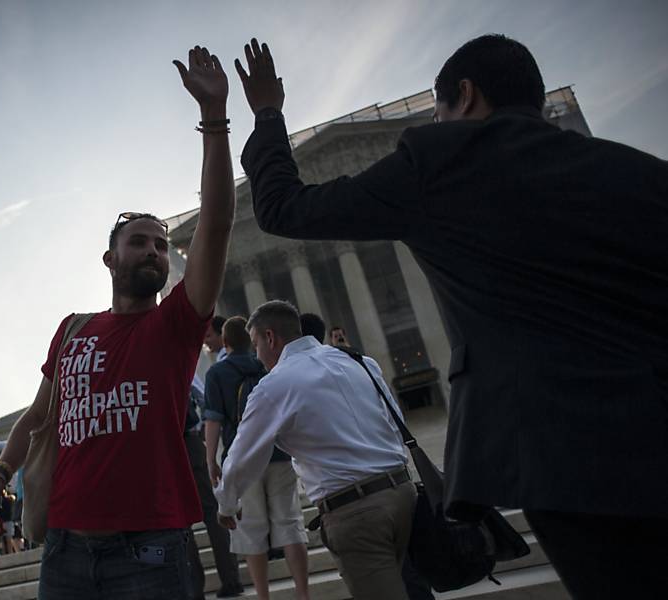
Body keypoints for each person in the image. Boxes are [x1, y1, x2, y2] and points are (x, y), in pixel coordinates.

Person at [233, 35, 668, 598]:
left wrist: (268, 112)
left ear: (464, 96)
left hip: (560, 452)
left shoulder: (438, 164)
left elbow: (282, 207)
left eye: (439, 111)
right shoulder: (636, 172)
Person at [0, 44, 235, 600]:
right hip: (65, 551)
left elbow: (216, 223)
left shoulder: (176, 325)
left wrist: (213, 121)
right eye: (139, 243)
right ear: (110, 259)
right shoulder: (72, 330)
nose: (155, 252)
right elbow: (38, 417)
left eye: (162, 246)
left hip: (153, 551)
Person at [215, 301, 414, 600]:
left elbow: (242, 456)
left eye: (256, 344)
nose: (257, 355)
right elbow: (395, 421)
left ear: (270, 338)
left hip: (355, 512)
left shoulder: (273, 386)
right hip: (404, 493)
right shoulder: (360, 361)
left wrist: (227, 504)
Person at [205, 315, 309, 600]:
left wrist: (211, 460)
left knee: (251, 531)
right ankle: (303, 594)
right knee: (289, 524)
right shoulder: (268, 366)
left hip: (243, 460)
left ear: (225, 343)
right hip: (278, 454)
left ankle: (263, 596)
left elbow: (213, 420)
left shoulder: (217, 374)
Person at [183, 375, 243, 598]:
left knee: (181, 522)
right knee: (211, 513)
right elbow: (202, 398)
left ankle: (193, 588)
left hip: (166, 447)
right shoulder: (177, 362)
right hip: (190, 441)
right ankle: (231, 578)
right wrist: (199, 428)